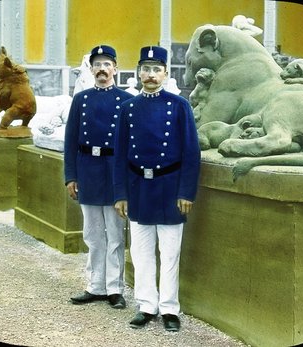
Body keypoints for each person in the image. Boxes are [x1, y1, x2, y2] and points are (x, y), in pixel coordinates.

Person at [113, 46, 201, 331]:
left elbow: (191, 152)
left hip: (170, 188)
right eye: (146, 69)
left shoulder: (179, 106)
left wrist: (186, 192)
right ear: (139, 72)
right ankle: (147, 305)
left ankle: (169, 309)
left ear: (165, 73)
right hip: (138, 188)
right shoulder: (127, 108)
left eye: (156, 70)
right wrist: (120, 194)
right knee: (141, 252)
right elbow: (120, 155)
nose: (150, 75)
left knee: (170, 252)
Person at [64, 45, 134, 309]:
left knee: (115, 234)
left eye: (107, 64)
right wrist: (71, 176)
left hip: (114, 172)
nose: (102, 70)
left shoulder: (127, 100)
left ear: (115, 69)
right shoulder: (81, 100)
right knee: (92, 234)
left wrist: (126, 182)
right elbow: (70, 141)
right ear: (91, 69)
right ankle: (95, 286)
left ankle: (115, 289)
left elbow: (130, 145)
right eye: (97, 65)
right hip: (88, 172)